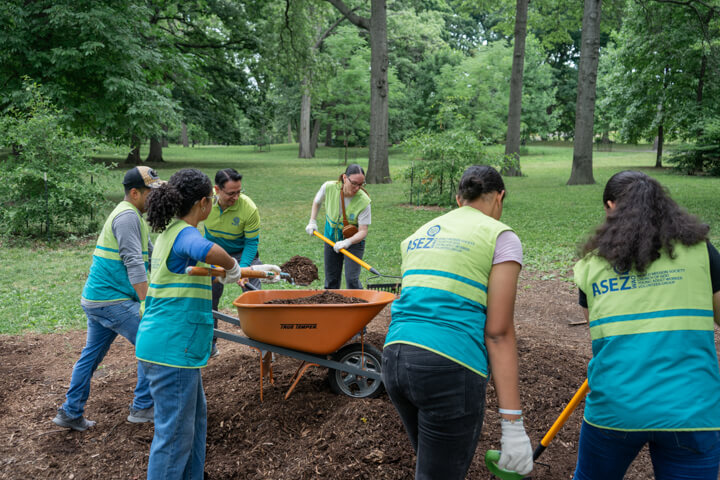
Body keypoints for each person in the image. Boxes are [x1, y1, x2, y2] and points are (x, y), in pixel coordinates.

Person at [382, 165, 533, 479]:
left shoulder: (418, 234)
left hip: (395, 358)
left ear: (458, 199)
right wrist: (513, 426)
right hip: (448, 367)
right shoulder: (500, 236)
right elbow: (498, 332)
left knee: (431, 466)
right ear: (499, 197)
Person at [572, 170, 720, 480]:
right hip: (690, 410)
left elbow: (598, 332)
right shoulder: (702, 252)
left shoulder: (590, 267)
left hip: (616, 408)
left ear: (611, 208)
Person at [135, 168, 279, 479]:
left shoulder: (170, 232)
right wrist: (232, 265)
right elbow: (208, 252)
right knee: (173, 440)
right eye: (211, 200)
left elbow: (194, 267)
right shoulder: (187, 233)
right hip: (170, 349)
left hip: (171, 348)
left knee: (195, 424)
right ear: (203, 202)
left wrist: (255, 271)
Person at [52, 166, 163, 431]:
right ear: (135, 192)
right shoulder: (127, 218)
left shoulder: (131, 215)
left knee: (90, 357)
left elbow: (151, 254)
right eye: (152, 192)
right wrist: (148, 301)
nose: (156, 198)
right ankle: (143, 407)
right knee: (153, 344)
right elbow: (134, 262)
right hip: (112, 301)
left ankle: (70, 412)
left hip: (98, 299)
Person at [200, 168, 263, 358]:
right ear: (216, 189)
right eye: (231, 193)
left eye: (239, 192)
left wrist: (242, 269)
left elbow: (251, 242)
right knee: (208, 297)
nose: (236, 197)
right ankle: (209, 344)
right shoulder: (204, 202)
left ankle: (263, 342)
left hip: (242, 253)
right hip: (214, 252)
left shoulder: (248, 208)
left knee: (255, 293)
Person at [305, 164, 371, 289]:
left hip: (354, 241)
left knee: (352, 279)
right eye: (354, 183)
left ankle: (358, 306)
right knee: (331, 279)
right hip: (330, 238)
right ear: (344, 178)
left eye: (361, 184)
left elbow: (363, 231)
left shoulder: (364, 201)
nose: (357, 188)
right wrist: (312, 221)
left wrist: (348, 242)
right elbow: (317, 201)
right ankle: (332, 307)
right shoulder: (329, 187)